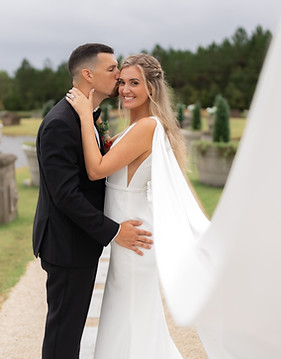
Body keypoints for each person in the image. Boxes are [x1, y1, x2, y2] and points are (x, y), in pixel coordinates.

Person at [66, 53, 209, 358]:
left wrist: (82, 114)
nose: (125, 89)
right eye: (121, 82)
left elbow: (96, 169)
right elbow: (109, 155)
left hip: (133, 237)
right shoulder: (136, 128)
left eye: (135, 83)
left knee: (130, 317)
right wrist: (96, 124)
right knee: (128, 317)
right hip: (126, 236)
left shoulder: (148, 128)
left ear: (152, 89)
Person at [33, 44, 153, 359]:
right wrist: (114, 231)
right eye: (112, 69)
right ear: (89, 74)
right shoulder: (62, 121)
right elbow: (65, 195)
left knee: (69, 330)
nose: (119, 76)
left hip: (77, 243)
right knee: (64, 333)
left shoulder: (85, 117)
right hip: (66, 245)